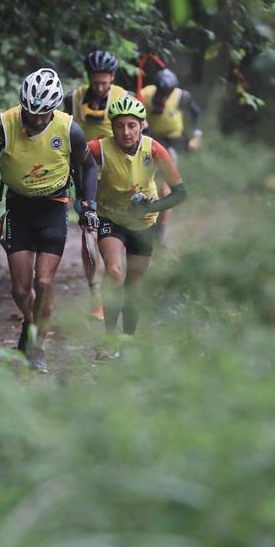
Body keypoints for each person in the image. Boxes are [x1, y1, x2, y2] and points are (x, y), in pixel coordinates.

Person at [0, 68, 99, 372]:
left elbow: (89, 165)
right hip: (19, 208)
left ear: (54, 108)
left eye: (45, 114)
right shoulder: (5, 124)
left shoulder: (69, 129)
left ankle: (38, 345)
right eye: (32, 114)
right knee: (20, 289)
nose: (38, 120)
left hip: (53, 208)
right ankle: (31, 323)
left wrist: (88, 204)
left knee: (44, 280)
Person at [88, 96, 186, 352]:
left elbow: (180, 192)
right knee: (114, 271)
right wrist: (82, 199)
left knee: (133, 285)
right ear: (112, 127)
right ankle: (110, 340)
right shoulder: (99, 147)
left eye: (131, 125)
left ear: (142, 125)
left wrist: (151, 207)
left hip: (144, 223)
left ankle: (128, 340)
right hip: (110, 218)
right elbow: (71, 164)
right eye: (119, 126)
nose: (126, 132)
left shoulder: (154, 149)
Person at [63, 50, 131, 321]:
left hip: (117, 176)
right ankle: (95, 293)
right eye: (96, 82)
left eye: (105, 82)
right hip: (84, 175)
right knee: (89, 233)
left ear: (112, 77)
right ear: (89, 78)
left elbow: (139, 135)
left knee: (115, 236)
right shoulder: (73, 99)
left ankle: (115, 291)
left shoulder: (124, 97)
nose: (101, 87)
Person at [139, 68, 202, 248]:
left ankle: (161, 234)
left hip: (171, 144)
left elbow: (196, 114)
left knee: (165, 189)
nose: (163, 98)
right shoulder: (145, 94)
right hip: (148, 141)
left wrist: (196, 137)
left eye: (166, 94)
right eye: (161, 93)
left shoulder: (182, 97)